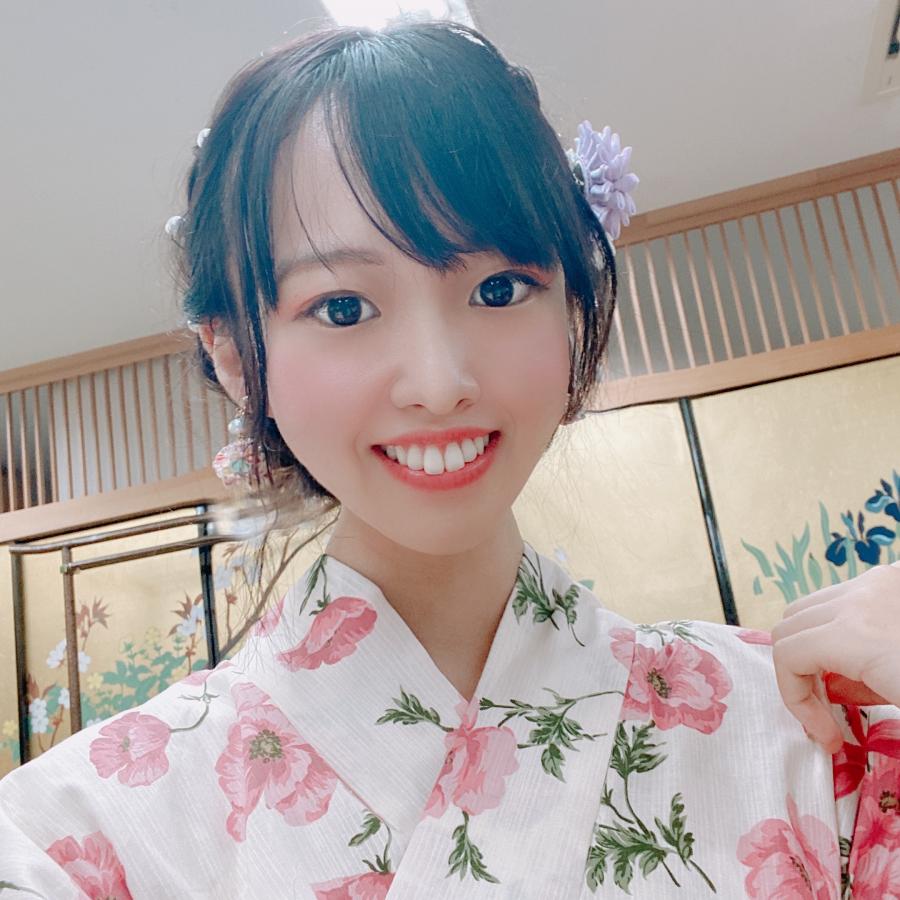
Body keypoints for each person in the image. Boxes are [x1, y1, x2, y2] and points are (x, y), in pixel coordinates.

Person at [1, 19, 898, 900]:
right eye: (343, 308)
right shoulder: (71, 841)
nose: (439, 384)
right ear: (237, 354)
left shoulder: (811, 734)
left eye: (499, 288)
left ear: (573, 309)